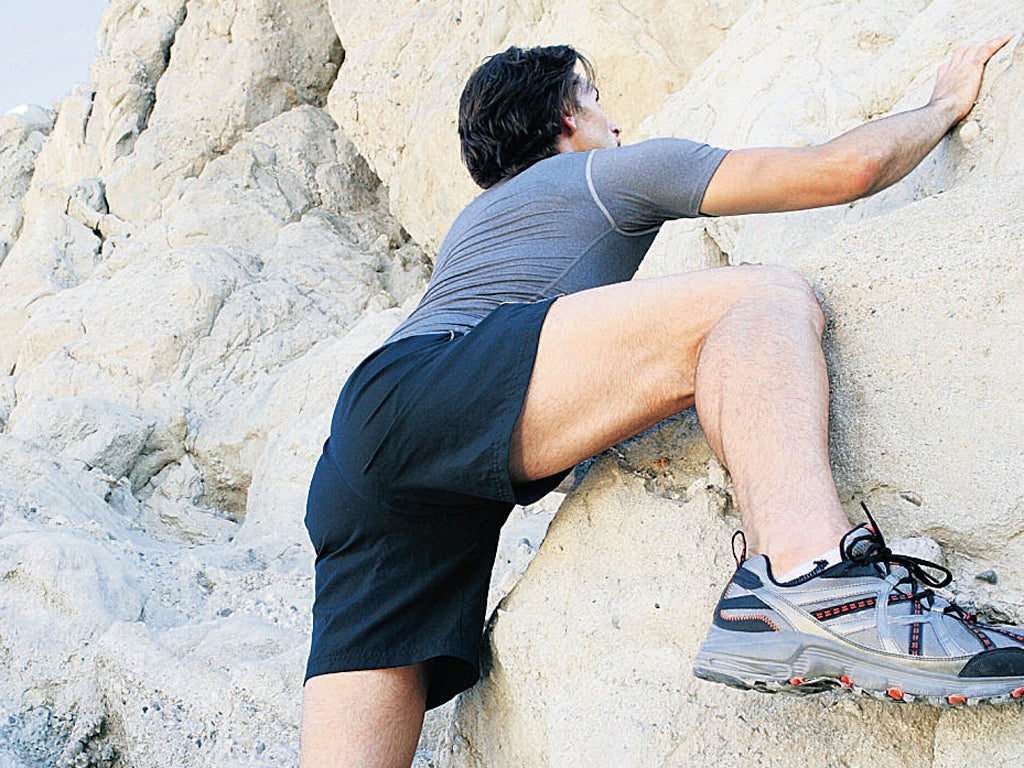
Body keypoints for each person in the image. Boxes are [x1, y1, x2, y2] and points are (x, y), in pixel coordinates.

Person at [299, 36, 1016, 768]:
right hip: (431, 394)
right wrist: (941, 106)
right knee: (762, 297)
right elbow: (848, 167)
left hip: (365, 456)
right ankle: (811, 578)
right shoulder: (604, 174)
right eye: (597, 102)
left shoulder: (477, 227)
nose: (616, 122)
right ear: (565, 116)